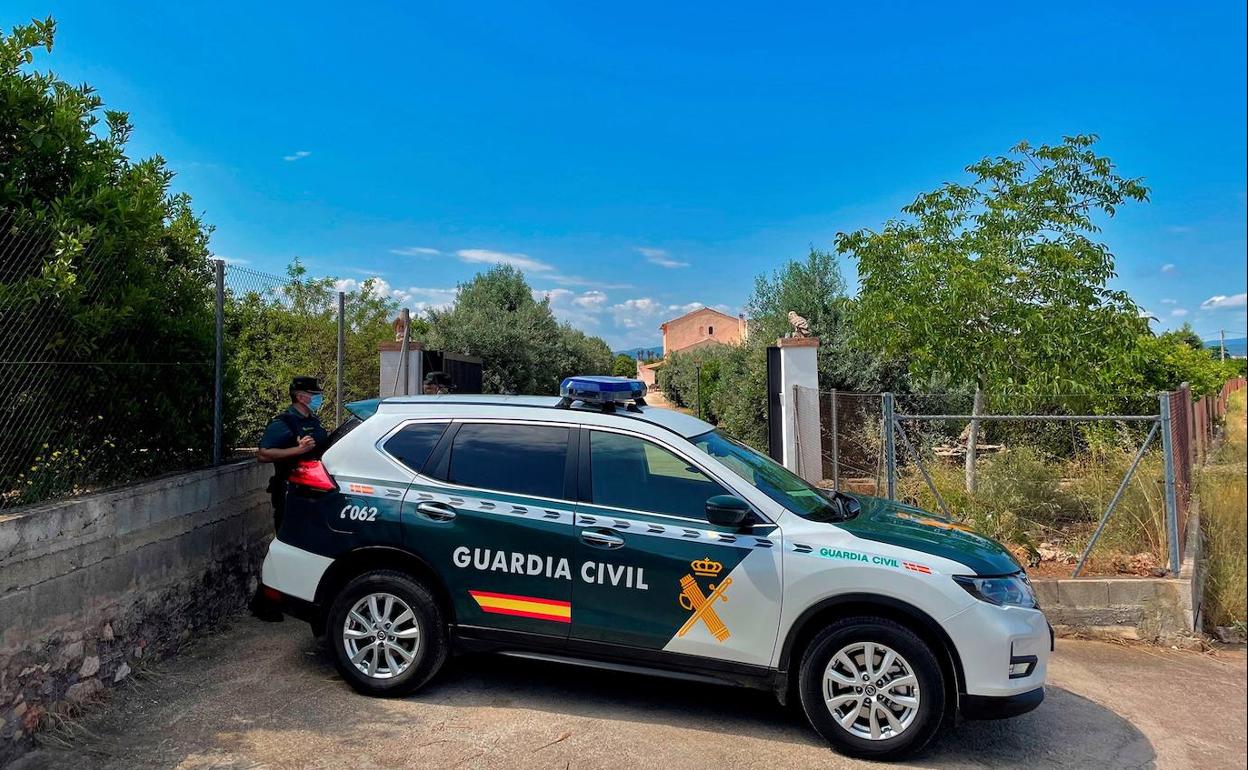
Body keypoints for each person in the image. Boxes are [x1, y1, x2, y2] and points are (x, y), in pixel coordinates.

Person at [257, 376, 329, 534]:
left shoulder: (313, 421)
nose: (318, 398)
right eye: (314, 394)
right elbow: (263, 455)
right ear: (300, 397)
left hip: (314, 490)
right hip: (291, 492)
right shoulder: (284, 422)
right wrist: (298, 450)